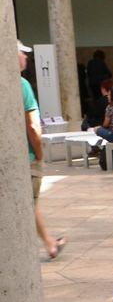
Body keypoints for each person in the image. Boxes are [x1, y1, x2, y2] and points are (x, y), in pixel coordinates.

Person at [18, 40, 66, 260]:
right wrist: (39, 153)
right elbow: (32, 125)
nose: (26, 58)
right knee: (26, 206)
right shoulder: (22, 85)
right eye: (22, 53)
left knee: (28, 204)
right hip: (26, 158)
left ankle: (49, 243)